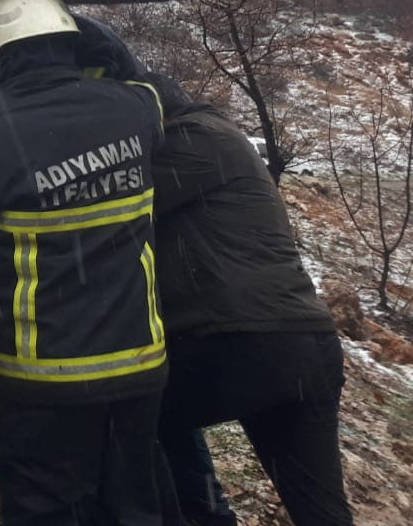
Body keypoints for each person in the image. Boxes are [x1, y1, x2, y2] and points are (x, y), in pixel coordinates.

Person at [0, 0, 166, 526]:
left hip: (44, 376)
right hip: (138, 363)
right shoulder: (134, 108)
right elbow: (149, 91)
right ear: (71, 40)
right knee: (132, 505)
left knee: (46, 509)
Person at [147, 73, 353, 526]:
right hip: (307, 344)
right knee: (320, 509)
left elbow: (104, 192)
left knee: (133, 413)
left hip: (242, 343)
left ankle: (204, 517)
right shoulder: (223, 137)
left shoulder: (187, 143)